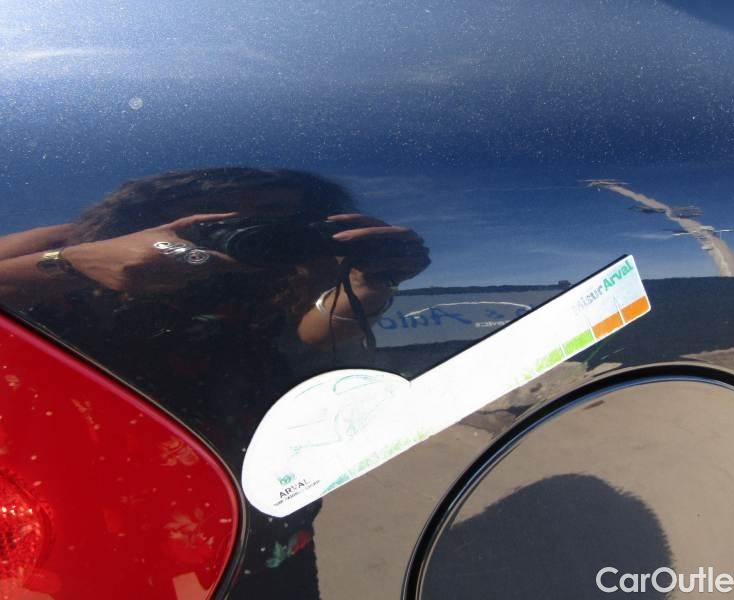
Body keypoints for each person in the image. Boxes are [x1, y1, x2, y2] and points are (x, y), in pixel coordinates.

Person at [0, 167, 430, 598]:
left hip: (254, 471)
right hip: (111, 470)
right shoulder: (83, 242)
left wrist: (369, 282)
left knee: (276, 576)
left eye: (274, 211)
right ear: (152, 211)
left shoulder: (283, 254)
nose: (245, 221)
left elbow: (305, 336)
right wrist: (74, 263)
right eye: (215, 209)